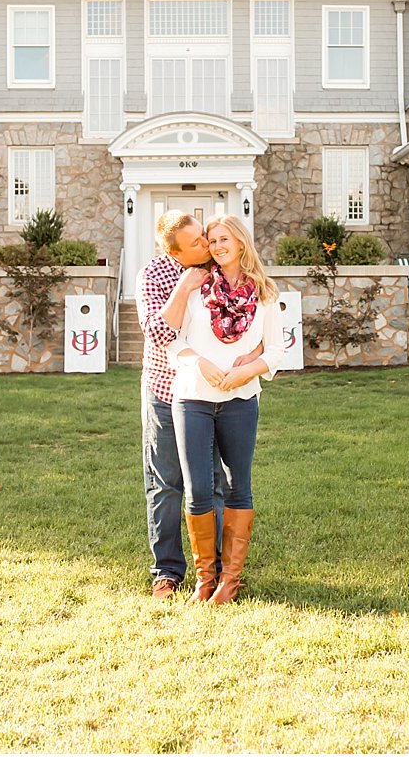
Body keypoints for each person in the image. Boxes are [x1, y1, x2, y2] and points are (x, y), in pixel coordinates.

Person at [162, 214, 283, 605]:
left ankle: (230, 582)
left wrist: (243, 372)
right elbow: (171, 340)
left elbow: (278, 352)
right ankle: (204, 580)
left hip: (240, 400)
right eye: (211, 240)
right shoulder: (197, 288)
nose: (217, 246)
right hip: (193, 397)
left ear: (242, 242)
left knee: (237, 487)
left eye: (224, 238)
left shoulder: (264, 294)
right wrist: (202, 363)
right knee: (197, 490)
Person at [136, 211, 254, 599]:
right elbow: (157, 334)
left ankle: (219, 570)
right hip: (167, 391)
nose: (206, 246)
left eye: (205, 238)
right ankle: (167, 572)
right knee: (167, 482)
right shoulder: (154, 275)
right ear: (175, 252)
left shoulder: (216, 269)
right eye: (197, 244)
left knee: (213, 482)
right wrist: (183, 289)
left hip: (212, 395)